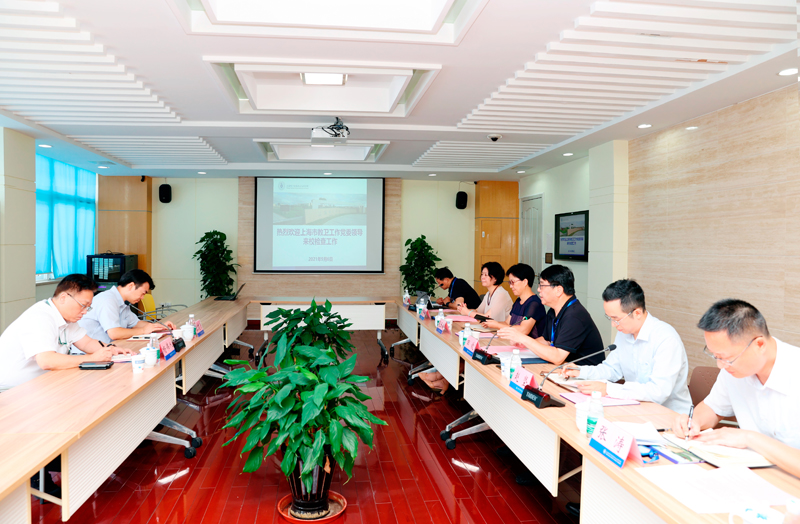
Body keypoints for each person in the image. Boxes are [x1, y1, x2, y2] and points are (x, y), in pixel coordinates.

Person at [672, 299, 800, 478]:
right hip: (750, 474)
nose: (720, 366)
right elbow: (713, 408)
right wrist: (694, 422)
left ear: (759, 345)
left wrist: (748, 438)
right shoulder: (732, 371)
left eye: (726, 358)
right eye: (715, 356)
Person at [559, 279, 692, 414]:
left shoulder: (666, 339)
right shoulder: (624, 333)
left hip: (670, 415)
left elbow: (658, 392)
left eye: (616, 319)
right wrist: (581, 372)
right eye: (610, 318)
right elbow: (611, 369)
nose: (613, 324)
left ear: (637, 313)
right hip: (637, 408)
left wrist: (608, 389)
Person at [0, 274, 128, 392]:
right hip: (11, 391)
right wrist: (92, 359)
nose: (85, 312)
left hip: (42, 383)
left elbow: (86, 343)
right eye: (83, 305)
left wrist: (111, 349)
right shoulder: (40, 317)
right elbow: (46, 361)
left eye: (88, 307)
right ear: (63, 298)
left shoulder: (67, 318)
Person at [498, 264, 604, 366]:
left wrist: (524, 339)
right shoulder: (553, 311)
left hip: (584, 373)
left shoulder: (574, 316)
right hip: (564, 368)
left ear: (558, 290)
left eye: (542, 285)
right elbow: (547, 340)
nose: (538, 290)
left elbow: (557, 357)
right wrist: (524, 343)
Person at [79, 269, 176, 344]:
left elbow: (135, 323)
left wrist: (160, 327)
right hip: (89, 353)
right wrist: (143, 331)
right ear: (131, 286)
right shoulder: (108, 300)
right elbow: (114, 333)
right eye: (143, 293)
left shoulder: (123, 303)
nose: (142, 298)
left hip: (108, 348)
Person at [482, 263, 545, 337]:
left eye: (513, 282)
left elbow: (524, 330)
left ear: (525, 282)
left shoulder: (534, 303)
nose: (511, 286)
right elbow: (507, 323)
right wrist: (492, 323)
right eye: (510, 283)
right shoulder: (518, 301)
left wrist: (497, 325)